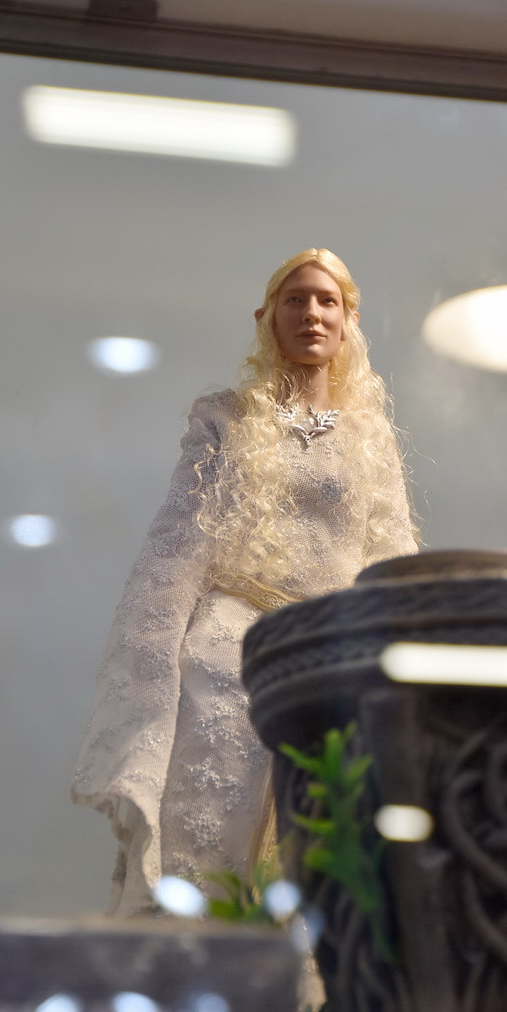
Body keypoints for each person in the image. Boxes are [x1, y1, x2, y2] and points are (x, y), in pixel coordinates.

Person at [71, 248, 418, 916]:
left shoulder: (370, 438)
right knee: (209, 845)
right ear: (267, 317)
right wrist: (150, 673)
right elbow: (176, 550)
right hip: (228, 660)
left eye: (327, 300)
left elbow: (391, 559)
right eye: (296, 299)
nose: (311, 313)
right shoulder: (226, 420)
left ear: (349, 321)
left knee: (321, 854)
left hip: (330, 660)